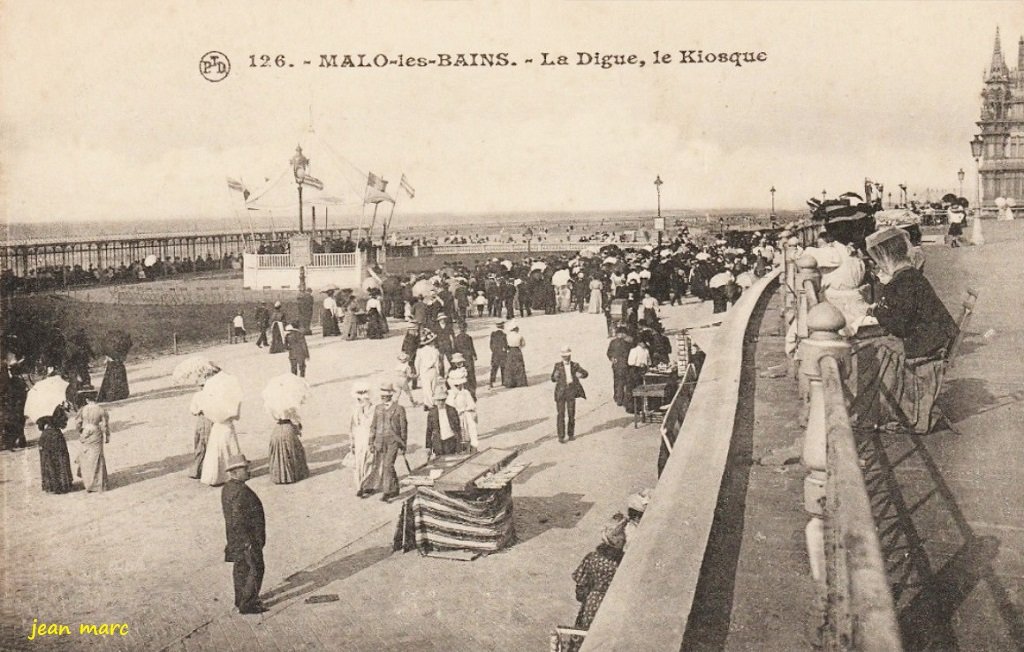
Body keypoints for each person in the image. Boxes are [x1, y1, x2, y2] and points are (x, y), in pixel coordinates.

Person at [853, 227, 959, 434]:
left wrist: (877, 313)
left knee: (875, 349)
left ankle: (878, 407)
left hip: (926, 343)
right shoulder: (909, 275)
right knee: (879, 345)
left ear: (885, 256)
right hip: (933, 336)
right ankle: (882, 405)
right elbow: (905, 316)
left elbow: (899, 326)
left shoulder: (901, 280)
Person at [565, 514, 628, 652]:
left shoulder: (592, 558)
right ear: (617, 539)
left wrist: (590, 597)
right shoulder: (624, 562)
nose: (625, 538)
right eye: (623, 534)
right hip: (615, 605)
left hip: (592, 605)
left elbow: (580, 591)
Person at [221, 455, 266, 614]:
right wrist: (249, 542)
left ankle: (240, 599)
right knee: (256, 568)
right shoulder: (241, 492)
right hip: (247, 540)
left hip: (235, 540)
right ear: (234, 472)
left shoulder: (227, 488)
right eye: (245, 469)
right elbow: (238, 520)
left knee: (240, 569)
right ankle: (249, 604)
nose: (249, 471)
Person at [372, 382, 408, 502]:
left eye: (385, 396)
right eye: (381, 396)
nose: (383, 398)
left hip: (393, 441)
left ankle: (387, 492)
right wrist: (370, 442)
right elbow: (373, 426)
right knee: (387, 466)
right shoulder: (377, 408)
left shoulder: (399, 409)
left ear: (390, 396)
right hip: (380, 441)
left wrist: (403, 444)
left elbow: (403, 427)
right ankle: (395, 488)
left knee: (388, 465)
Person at [266, 402, 309, 485]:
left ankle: (280, 476)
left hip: (277, 429)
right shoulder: (288, 403)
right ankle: (293, 474)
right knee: (292, 450)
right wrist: (298, 426)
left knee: (279, 452)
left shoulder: (271, 402)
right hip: (288, 428)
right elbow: (294, 418)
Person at [551, 346, 588, 443]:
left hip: (571, 391)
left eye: (567, 356)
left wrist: (582, 375)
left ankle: (571, 434)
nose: (565, 358)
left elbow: (585, 373)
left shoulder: (575, 365)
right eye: (564, 356)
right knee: (561, 414)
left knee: (571, 414)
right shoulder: (557, 366)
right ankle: (561, 436)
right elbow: (552, 378)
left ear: (570, 355)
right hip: (561, 392)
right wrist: (555, 377)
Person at [73, 397, 110, 492]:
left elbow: (78, 423)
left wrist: (81, 432)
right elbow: (105, 425)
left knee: (86, 457)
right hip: (96, 432)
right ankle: (98, 484)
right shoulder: (101, 409)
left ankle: (88, 483)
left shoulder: (83, 409)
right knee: (97, 457)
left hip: (86, 432)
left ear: (86, 399)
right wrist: (107, 436)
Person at [349, 383, 379, 497]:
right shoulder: (355, 410)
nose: (361, 400)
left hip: (369, 437)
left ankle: (367, 484)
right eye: (358, 397)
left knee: (369, 462)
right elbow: (351, 427)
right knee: (358, 463)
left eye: (363, 397)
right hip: (358, 438)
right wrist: (351, 442)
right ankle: (359, 486)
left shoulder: (374, 409)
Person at [37, 405, 75, 494]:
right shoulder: (57, 408)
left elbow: (40, 427)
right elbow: (63, 423)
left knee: (48, 460)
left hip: (46, 436)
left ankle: (52, 485)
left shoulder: (40, 409)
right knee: (61, 458)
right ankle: (63, 483)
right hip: (57, 435)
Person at [426, 382, 461, 458]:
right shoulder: (432, 413)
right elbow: (429, 430)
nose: (440, 402)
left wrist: (459, 444)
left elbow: (458, 428)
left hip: (451, 440)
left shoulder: (452, 410)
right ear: (435, 401)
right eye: (438, 400)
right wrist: (428, 446)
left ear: (445, 399)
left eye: (442, 400)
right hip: (438, 442)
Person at [448, 368, 479, 451]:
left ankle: (473, 447)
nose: (459, 386)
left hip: (466, 414)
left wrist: (469, 410)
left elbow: (472, 404)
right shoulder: (450, 394)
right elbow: (450, 408)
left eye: (460, 384)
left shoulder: (466, 392)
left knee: (471, 430)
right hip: (457, 417)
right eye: (457, 385)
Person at [415, 330, 443, 408]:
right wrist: (438, 372)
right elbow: (437, 363)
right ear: (431, 342)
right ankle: (431, 403)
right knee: (433, 387)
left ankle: (427, 403)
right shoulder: (435, 351)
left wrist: (418, 372)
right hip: (432, 370)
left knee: (426, 387)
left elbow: (417, 362)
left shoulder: (420, 351)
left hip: (423, 370)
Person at [606, 325, 633, 407]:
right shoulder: (628, 343)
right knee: (626, 382)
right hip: (626, 365)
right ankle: (624, 399)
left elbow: (608, 353)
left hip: (616, 365)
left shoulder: (613, 342)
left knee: (617, 381)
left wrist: (612, 358)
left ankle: (617, 398)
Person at [624, 338, 651, 414]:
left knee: (642, 388)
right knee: (634, 389)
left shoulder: (646, 351)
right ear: (640, 343)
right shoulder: (634, 350)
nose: (645, 345)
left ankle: (642, 407)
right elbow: (630, 362)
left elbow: (649, 361)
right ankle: (633, 408)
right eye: (644, 343)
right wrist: (639, 364)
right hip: (635, 371)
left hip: (643, 370)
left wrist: (646, 365)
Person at [453, 322, 478, 397]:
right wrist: (475, 355)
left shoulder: (456, 338)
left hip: (461, 358)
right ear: (466, 329)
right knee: (470, 373)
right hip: (468, 357)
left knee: (462, 373)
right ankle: (472, 389)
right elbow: (471, 347)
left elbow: (455, 349)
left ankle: (464, 388)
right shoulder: (468, 337)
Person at [503, 321, 528, 387]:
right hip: (517, 350)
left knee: (510, 366)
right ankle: (520, 382)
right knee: (519, 366)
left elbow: (505, 344)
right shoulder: (519, 335)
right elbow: (523, 344)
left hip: (510, 351)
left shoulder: (507, 336)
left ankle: (510, 383)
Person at [488, 321, 508, 389]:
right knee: (503, 368)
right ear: (502, 326)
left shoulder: (493, 334)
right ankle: (504, 382)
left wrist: (494, 351)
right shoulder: (504, 334)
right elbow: (505, 345)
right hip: (502, 354)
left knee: (494, 368)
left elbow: (490, 345)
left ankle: (491, 382)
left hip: (495, 354)